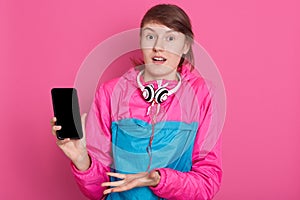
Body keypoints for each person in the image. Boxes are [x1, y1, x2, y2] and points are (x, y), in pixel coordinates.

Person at [51, 4, 222, 200]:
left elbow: (207, 183)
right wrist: (82, 161)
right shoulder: (110, 93)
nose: (158, 46)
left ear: (185, 45)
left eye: (171, 38)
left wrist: (159, 179)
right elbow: (99, 190)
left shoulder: (202, 94)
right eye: (150, 36)